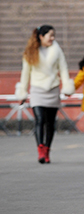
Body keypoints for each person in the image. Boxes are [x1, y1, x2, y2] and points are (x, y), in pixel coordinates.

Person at [15, 25, 75, 164]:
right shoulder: (30, 51)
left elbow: (63, 69)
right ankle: (40, 150)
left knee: (50, 123)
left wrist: (67, 87)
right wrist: (22, 92)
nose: (52, 38)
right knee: (40, 120)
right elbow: (25, 73)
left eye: (54, 36)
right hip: (37, 89)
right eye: (50, 35)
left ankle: (47, 149)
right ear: (41, 36)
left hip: (53, 89)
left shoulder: (57, 50)